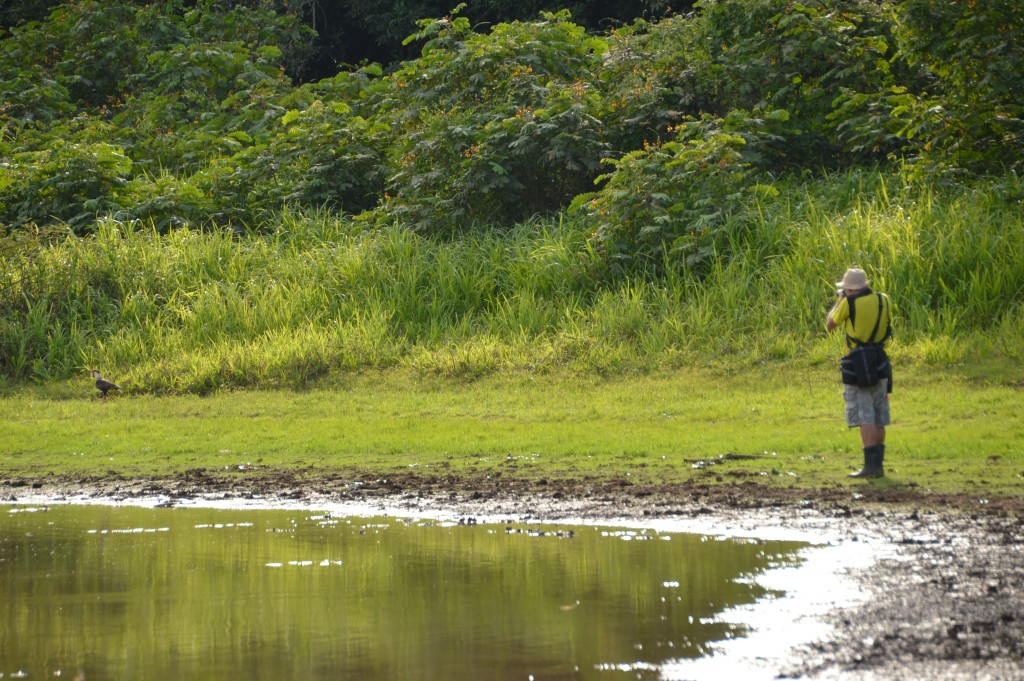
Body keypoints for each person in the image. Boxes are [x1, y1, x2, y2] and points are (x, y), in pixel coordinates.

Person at [826, 267, 893, 478]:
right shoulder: (884, 299)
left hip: (858, 362)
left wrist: (839, 300)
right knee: (879, 414)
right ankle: (878, 465)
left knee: (865, 415)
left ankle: (870, 467)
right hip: (881, 360)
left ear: (848, 288)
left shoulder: (849, 302)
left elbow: (830, 324)